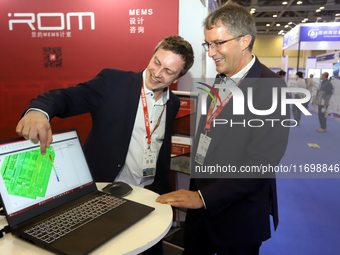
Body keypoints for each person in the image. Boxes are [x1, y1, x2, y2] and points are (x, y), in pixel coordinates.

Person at [15, 35, 194, 254]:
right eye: (157, 62)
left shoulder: (172, 102)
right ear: (152, 55)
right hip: (105, 194)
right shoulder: (113, 82)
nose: (157, 73)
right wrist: (39, 111)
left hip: (150, 197)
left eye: (168, 71)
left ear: (179, 76)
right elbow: (67, 97)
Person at [156, 2, 290, 255]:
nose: (211, 52)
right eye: (208, 44)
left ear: (244, 40)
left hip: (238, 217)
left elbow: (261, 162)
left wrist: (203, 197)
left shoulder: (271, 88)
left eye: (218, 43)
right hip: (201, 212)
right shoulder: (220, 79)